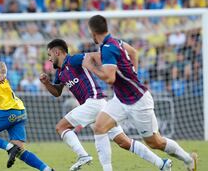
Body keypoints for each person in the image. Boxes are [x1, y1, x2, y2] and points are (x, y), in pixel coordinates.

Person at [83, 15, 197, 171]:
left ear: (92, 32)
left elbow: (109, 78)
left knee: (155, 142)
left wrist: (90, 67)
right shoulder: (116, 42)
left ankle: (188, 159)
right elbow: (134, 52)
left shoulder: (109, 48)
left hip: (138, 101)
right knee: (99, 127)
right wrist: (133, 74)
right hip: (121, 100)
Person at [40, 39, 145, 171]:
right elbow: (57, 92)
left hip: (93, 102)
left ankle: (83, 156)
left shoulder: (74, 60)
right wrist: (47, 83)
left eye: (49, 55)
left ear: (57, 52)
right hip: (97, 105)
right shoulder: (60, 73)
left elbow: (96, 56)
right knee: (123, 141)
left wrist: (115, 64)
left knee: (61, 127)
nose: (49, 59)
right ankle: (160, 162)